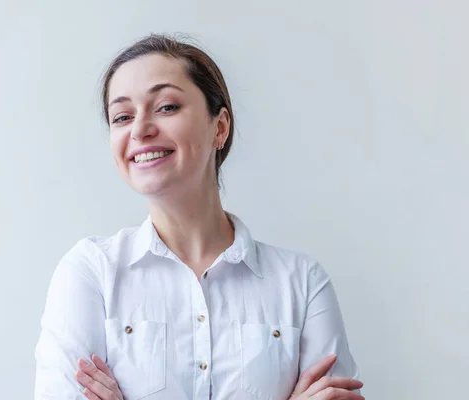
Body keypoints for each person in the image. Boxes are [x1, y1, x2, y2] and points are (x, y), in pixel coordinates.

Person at [34, 34, 363, 400]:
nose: (140, 129)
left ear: (219, 127)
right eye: (122, 116)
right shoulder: (91, 273)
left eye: (166, 107)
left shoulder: (302, 284)